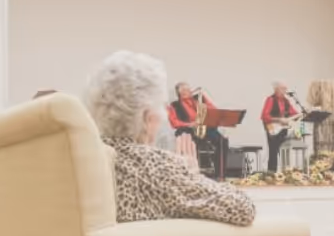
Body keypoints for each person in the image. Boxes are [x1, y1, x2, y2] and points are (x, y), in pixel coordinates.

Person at [82, 51, 255, 226]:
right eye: (161, 107)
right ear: (147, 117)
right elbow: (241, 209)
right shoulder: (154, 166)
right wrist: (192, 176)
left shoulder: (86, 159)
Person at [169, 81, 229, 179]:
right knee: (189, 143)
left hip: (205, 129)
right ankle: (192, 172)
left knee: (223, 141)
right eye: (184, 90)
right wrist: (190, 124)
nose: (187, 91)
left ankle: (219, 174)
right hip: (189, 131)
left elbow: (214, 110)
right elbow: (174, 122)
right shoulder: (174, 105)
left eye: (188, 89)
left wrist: (203, 101)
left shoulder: (200, 98)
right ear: (179, 93)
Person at [261, 81, 300, 172]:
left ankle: (285, 173)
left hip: (283, 130)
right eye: (282, 89)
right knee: (273, 152)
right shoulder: (270, 99)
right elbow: (264, 116)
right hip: (272, 129)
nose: (285, 91)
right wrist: (279, 120)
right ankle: (271, 174)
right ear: (276, 89)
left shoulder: (286, 101)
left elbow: (294, 114)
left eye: (285, 89)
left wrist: (301, 114)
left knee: (284, 152)